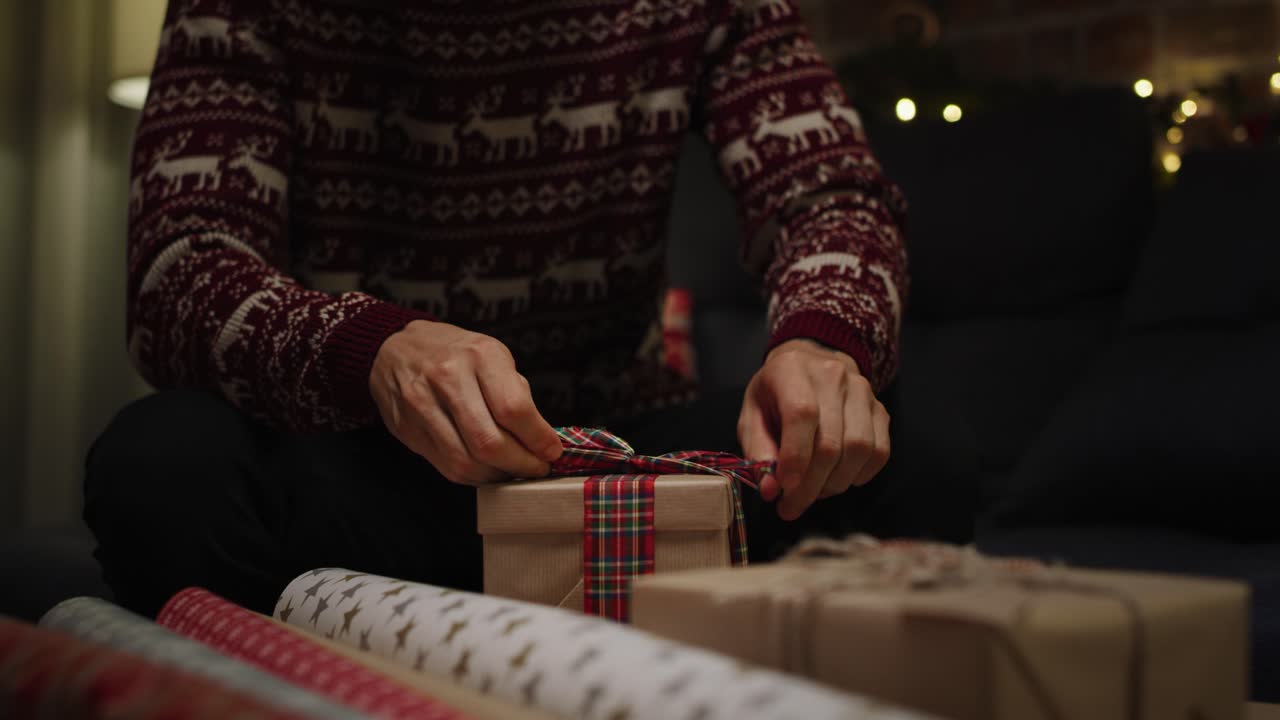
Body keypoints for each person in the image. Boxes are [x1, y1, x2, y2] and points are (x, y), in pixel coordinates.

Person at [86, 0, 907, 618]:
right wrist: (367, 350)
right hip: (359, 469)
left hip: (616, 462)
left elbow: (830, 193)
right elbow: (181, 264)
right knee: (161, 467)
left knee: (894, 460)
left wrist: (821, 344)